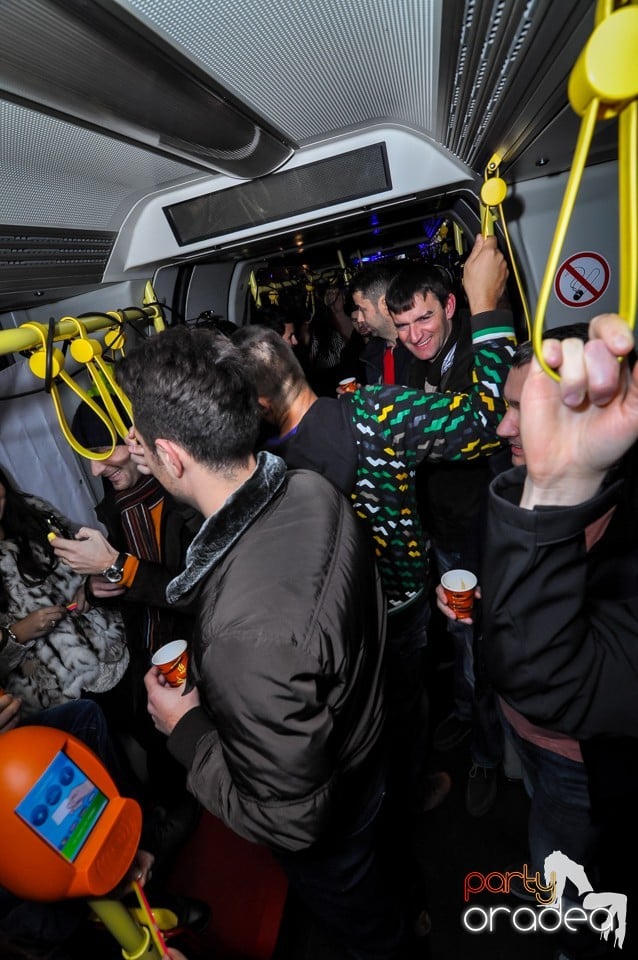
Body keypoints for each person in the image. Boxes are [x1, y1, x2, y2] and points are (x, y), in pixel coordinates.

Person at [116, 325, 420, 960]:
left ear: (170, 456)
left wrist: (188, 729)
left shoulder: (242, 642)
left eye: (144, 445)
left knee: (364, 926)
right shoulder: (309, 487)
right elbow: (253, 560)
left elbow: (290, 818)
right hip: (370, 752)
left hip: (336, 814)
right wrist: (173, 466)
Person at [481, 313, 638, 955]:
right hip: (522, 729)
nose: (503, 427)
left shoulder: (617, 522)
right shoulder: (517, 485)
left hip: (580, 759)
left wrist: (560, 486)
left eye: (523, 410)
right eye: (509, 407)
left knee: (563, 864)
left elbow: (557, 672)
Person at [386, 234, 512, 817]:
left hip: (481, 537)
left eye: (425, 318)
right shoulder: (414, 370)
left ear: (452, 306)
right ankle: (467, 721)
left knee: (478, 651)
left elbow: (483, 428)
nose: (415, 334)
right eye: (404, 324)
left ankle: (488, 756)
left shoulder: (478, 357)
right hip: (441, 537)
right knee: (459, 643)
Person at [50, 407, 202, 867]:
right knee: (160, 749)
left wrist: (119, 568)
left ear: (141, 439)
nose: (96, 469)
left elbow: (199, 591)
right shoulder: (115, 504)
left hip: (202, 648)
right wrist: (98, 589)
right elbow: (128, 586)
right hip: (149, 650)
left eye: (104, 452)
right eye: (87, 458)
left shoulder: (186, 494)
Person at [0, 467, 128, 716]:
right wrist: (17, 634)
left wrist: (90, 586)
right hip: (56, 699)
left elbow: (96, 560)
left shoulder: (36, 513)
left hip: (112, 656)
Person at [349, 263, 414, 385]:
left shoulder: (419, 347)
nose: (359, 319)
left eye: (362, 309)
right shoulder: (374, 352)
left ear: (384, 305)